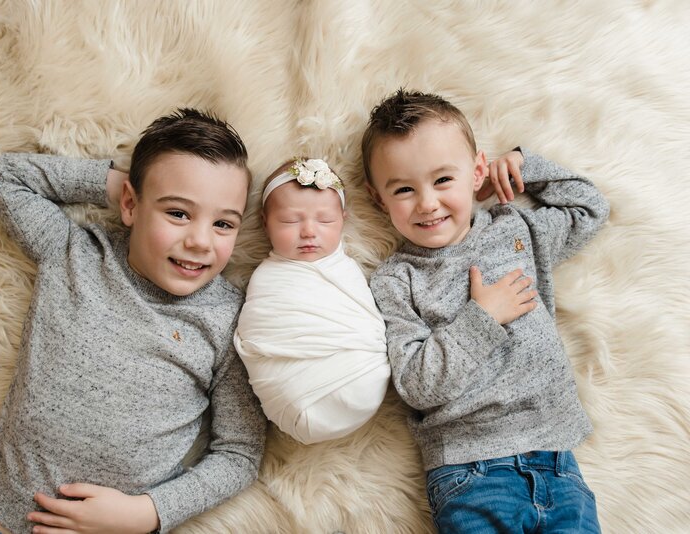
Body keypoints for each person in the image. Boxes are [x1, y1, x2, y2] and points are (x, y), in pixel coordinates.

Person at [0, 109, 266, 534]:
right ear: (130, 204)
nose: (201, 241)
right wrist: (114, 185)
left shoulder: (227, 320)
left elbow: (240, 455)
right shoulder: (73, 254)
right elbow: (4, 175)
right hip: (6, 521)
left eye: (223, 223)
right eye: (179, 214)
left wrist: (147, 512)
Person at [362, 90, 609, 533]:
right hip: (469, 469)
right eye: (403, 189)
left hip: (557, 460)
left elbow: (590, 209)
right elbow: (417, 385)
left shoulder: (515, 230)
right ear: (378, 199)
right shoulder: (396, 280)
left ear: (476, 171)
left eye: (443, 180)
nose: (427, 203)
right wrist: (483, 317)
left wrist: (524, 166)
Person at [233, 158, 390, 444]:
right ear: (265, 223)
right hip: (291, 398)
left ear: (343, 219)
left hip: (362, 378)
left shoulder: (348, 270)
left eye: (325, 220)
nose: (308, 231)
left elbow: (368, 323)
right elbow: (260, 327)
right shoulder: (266, 279)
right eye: (291, 221)